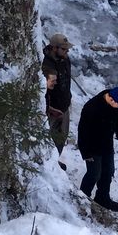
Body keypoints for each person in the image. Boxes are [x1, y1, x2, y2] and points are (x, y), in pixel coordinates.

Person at [76, 85, 118, 212]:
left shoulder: (114, 103)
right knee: (94, 174)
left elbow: (117, 118)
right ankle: (82, 200)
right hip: (91, 148)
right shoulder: (91, 108)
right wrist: (86, 153)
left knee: (108, 171)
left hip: (106, 145)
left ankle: (102, 198)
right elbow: (82, 132)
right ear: (112, 100)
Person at [42, 32, 74, 168]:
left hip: (64, 105)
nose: (67, 51)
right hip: (52, 110)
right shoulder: (47, 65)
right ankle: (50, 163)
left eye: (67, 49)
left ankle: (55, 161)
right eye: (63, 48)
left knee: (62, 137)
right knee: (50, 137)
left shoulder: (65, 60)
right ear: (54, 48)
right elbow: (45, 90)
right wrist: (50, 108)